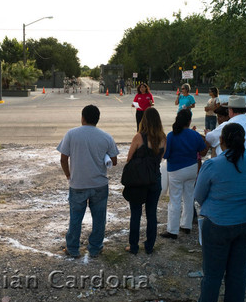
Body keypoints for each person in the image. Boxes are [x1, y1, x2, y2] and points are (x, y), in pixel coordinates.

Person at [194, 123, 246, 302]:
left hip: (217, 225)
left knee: (212, 277)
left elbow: (198, 196)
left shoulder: (212, 165)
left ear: (222, 141)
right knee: (237, 276)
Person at [57, 105, 119, 258]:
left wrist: (68, 176)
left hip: (78, 183)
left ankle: (72, 248)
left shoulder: (72, 134)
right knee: (99, 218)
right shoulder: (106, 136)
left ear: (82, 117)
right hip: (99, 184)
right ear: (97, 119)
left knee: (76, 218)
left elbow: (63, 159)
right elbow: (114, 161)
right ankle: (95, 248)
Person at [124, 108, 166, 254]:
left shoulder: (139, 137)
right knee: (151, 214)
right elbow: (159, 160)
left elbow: (129, 158)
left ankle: (134, 246)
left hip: (138, 181)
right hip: (155, 179)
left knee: (136, 213)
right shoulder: (163, 138)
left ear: (144, 120)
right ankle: (149, 246)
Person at [161, 109, 206, 239]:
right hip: (192, 168)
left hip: (176, 169)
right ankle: (186, 225)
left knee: (175, 199)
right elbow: (202, 150)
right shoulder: (194, 134)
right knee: (189, 197)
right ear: (189, 120)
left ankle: (172, 230)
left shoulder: (171, 135)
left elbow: (166, 154)